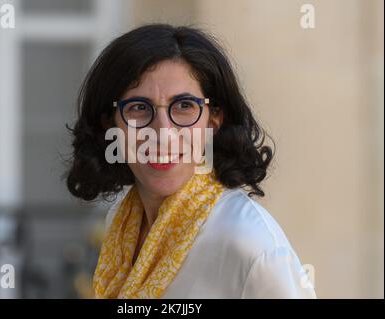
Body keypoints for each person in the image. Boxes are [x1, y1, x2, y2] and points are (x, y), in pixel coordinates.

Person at [65, 24, 316, 299]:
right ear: (110, 123)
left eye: (184, 106)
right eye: (139, 108)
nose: (163, 133)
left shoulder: (250, 246)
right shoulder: (123, 219)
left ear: (214, 119)